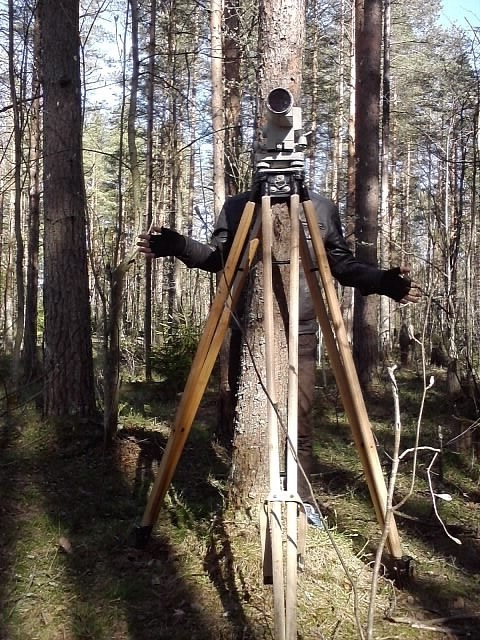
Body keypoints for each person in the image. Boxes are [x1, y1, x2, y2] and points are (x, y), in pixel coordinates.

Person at [138, 190, 421, 527]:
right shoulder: (239, 206)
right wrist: (179, 245)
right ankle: (252, 493)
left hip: (301, 330)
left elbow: (342, 266)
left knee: (300, 419)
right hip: (248, 331)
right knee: (248, 417)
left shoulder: (319, 208)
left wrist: (384, 281)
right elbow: (219, 259)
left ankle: (302, 501)